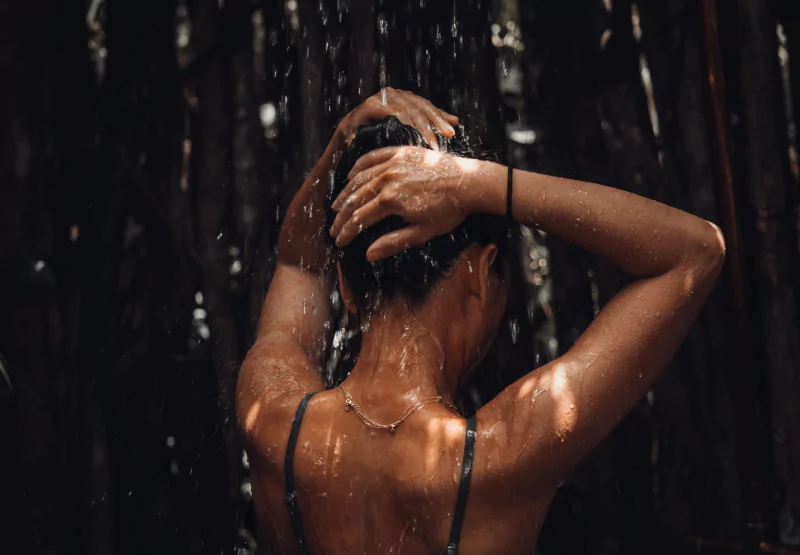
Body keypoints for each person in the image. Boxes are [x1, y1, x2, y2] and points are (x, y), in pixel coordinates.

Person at [236, 89, 725, 555]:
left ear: (343, 283)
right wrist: (483, 183)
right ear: (482, 272)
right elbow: (693, 253)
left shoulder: (274, 419)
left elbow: (298, 262)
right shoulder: (498, 459)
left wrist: (344, 140)